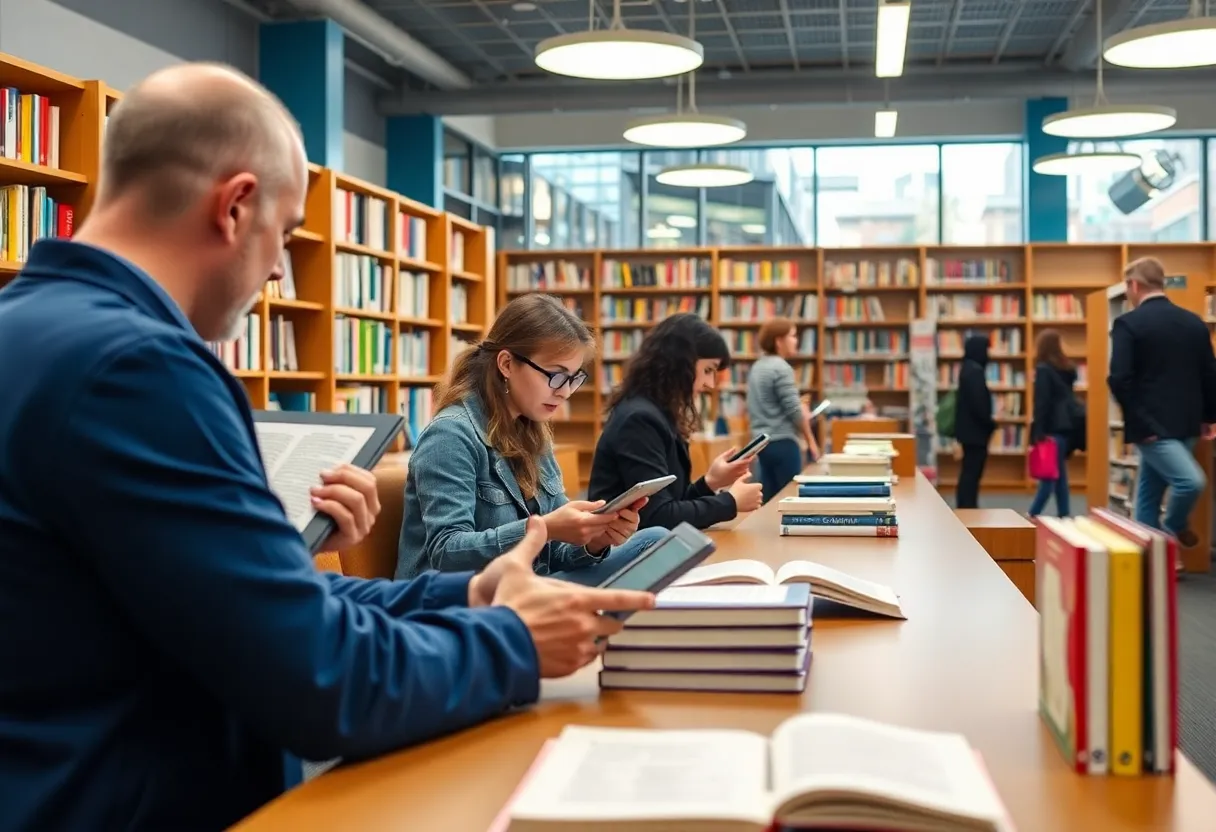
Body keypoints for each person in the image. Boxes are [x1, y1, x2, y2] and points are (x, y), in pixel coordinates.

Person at [0, 63, 654, 832]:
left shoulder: (32, 329)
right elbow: (317, 680)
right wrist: (510, 642)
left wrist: (468, 595)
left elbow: (250, 604)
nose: (279, 269)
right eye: (283, 235)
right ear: (236, 207)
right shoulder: (140, 369)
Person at [395, 294, 667, 583]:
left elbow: (555, 556)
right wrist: (545, 529)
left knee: (657, 542)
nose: (564, 391)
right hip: (458, 599)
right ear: (507, 364)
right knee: (652, 553)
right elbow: (446, 553)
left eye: (574, 378)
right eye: (555, 375)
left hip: (523, 585)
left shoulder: (533, 432)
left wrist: (594, 540)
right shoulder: (451, 434)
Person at [588, 313, 764, 530]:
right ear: (681, 364)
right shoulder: (640, 420)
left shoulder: (656, 413)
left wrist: (711, 482)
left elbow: (671, 503)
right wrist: (730, 502)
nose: (710, 384)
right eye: (708, 370)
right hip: (624, 551)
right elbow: (657, 517)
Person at [1109, 256, 1216, 557]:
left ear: (1133, 285)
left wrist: (1140, 424)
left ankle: (1172, 526)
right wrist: (1210, 416)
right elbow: (1210, 373)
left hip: (1150, 427)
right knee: (1148, 493)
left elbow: (1119, 379)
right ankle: (1153, 561)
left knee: (1189, 482)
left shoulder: (1128, 323)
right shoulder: (1193, 322)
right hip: (1188, 423)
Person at [747, 317, 820, 503]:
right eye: (793, 336)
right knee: (790, 500)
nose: (796, 341)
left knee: (769, 500)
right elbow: (794, 410)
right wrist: (811, 441)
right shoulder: (781, 368)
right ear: (779, 341)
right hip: (783, 442)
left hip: (762, 443)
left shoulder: (757, 367)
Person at [1028, 329, 1079, 517]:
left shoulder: (1042, 370)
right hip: (1065, 428)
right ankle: (1065, 516)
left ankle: (1031, 516)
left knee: (1048, 478)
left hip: (1049, 429)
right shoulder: (1067, 370)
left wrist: (1037, 433)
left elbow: (1042, 403)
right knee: (1060, 478)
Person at [954, 333, 997, 509]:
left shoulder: (967, 368)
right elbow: (979, 404)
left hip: (968, 431)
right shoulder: (975, 372)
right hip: (976, 432)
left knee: (969, 471)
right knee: (972, 472)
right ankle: (968, 505)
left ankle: (966, 504)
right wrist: (990, 424)